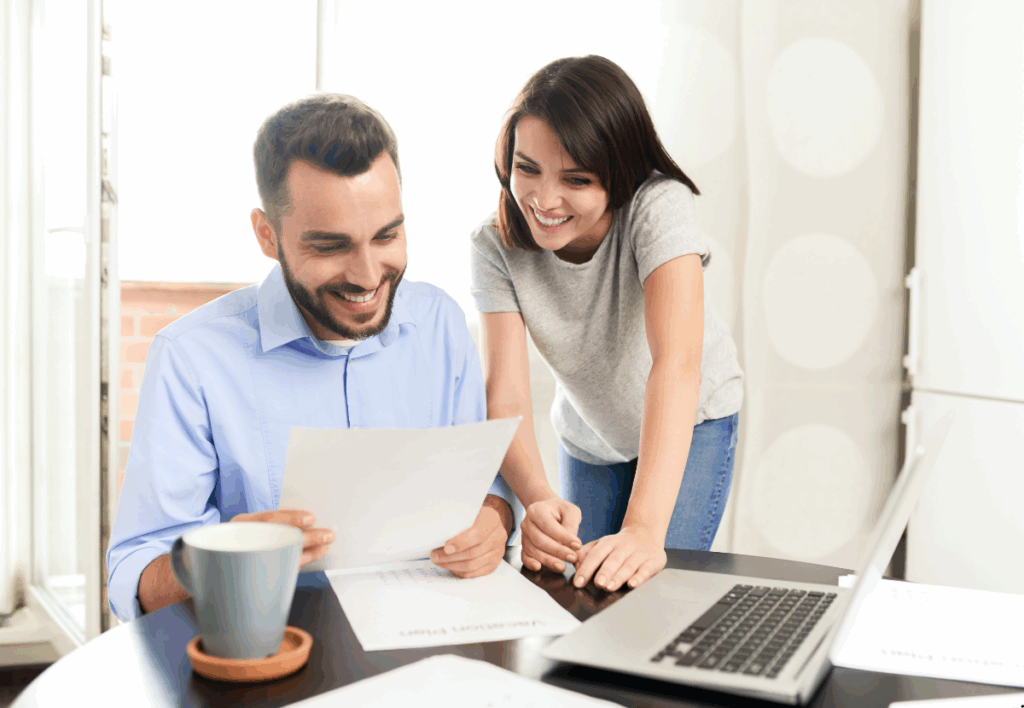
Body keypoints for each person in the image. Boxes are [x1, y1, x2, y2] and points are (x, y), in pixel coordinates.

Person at [107, 94, 516, 621]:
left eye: (387, 235)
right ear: (266, 235)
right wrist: (219, 560)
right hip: (274, 658)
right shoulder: (193, 359)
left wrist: (494, 520)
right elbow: (133, 575)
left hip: (428, 641)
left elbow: (485, 490)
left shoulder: (440, 323)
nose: (368, 276)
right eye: (330, 246)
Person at [471, 55, 744, 595]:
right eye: (527, 169)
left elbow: (677, 365)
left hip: (692, 422)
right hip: (590, 435)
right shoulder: (494, 244)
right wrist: (538, 499)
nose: (543, 201)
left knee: (649, 591)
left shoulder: (657, 206)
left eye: (575, 179)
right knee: (581, 592)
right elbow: (504, 394)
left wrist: (643, 530)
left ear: (618, 174)